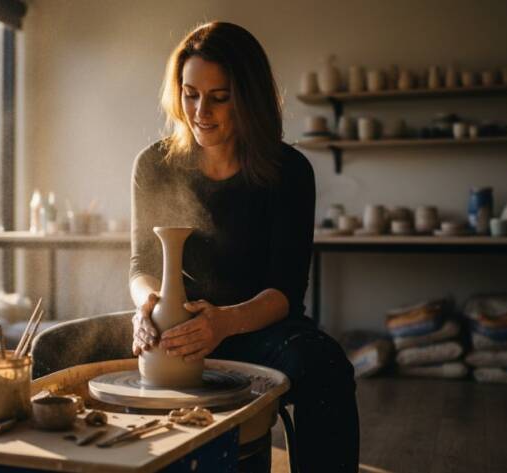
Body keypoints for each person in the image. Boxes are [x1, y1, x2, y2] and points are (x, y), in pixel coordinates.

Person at [129, 22, 359, 473]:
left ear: (248, 98)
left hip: (257, 329)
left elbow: (286, 291)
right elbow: (141, 265)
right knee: (57, 347)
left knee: (327, 366)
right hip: (173, 329)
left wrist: (224, 323)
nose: (200, 111)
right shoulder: (154, 165)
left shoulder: (286, 171)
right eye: (190, 94)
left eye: (220, 97)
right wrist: (146, 308)